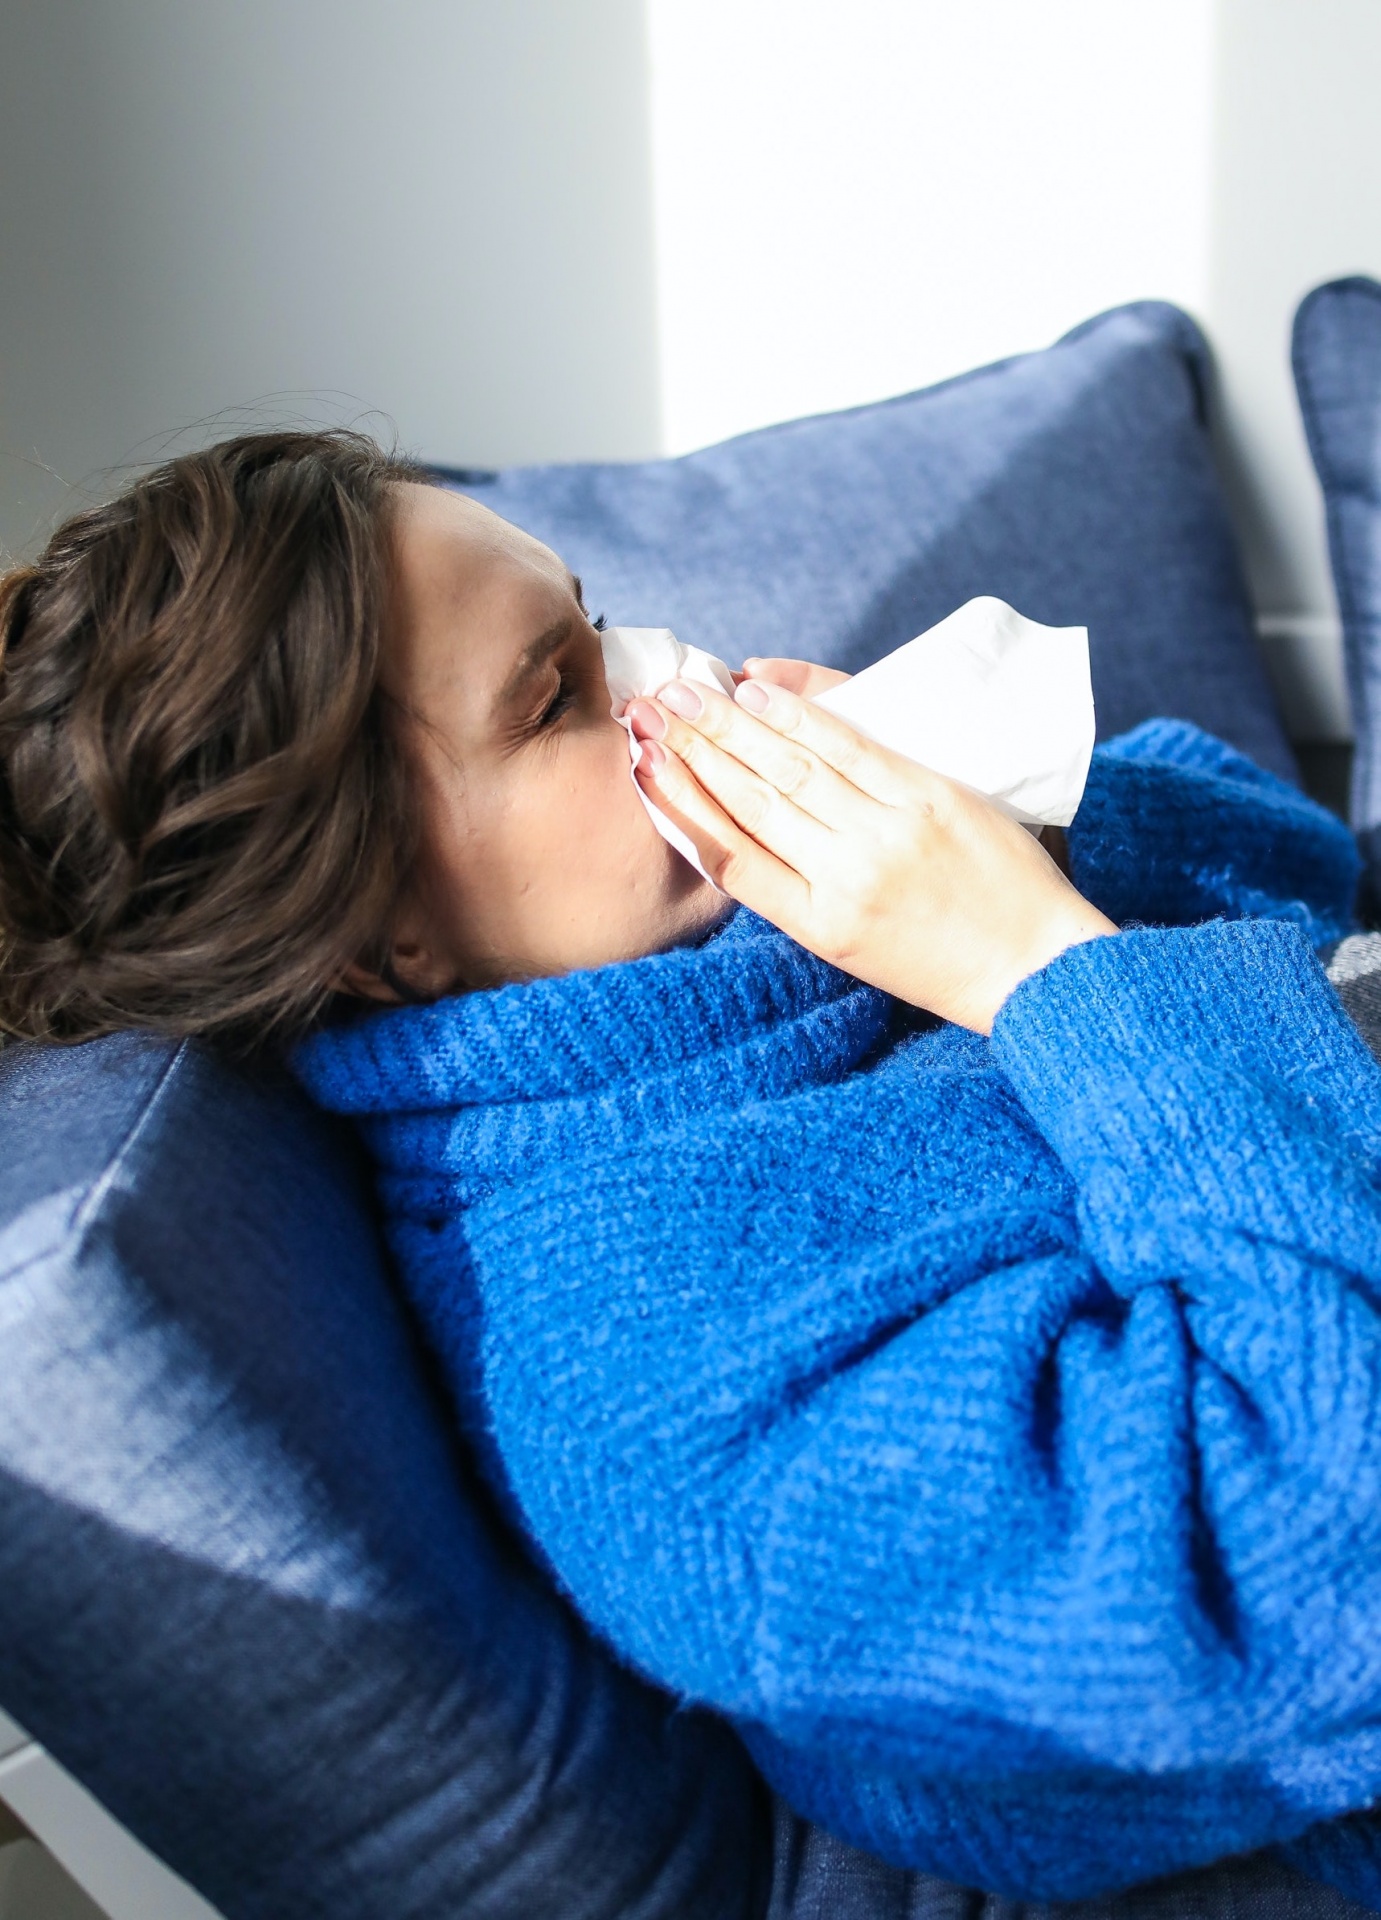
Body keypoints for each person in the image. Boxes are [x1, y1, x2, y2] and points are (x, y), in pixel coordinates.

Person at [3, 429, 1380, 1906]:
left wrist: (1011, 819)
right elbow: (1317, 1560)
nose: (679, 675)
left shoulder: (775, 964)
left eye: (595, 623)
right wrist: (1031, 959)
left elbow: (1308, 874)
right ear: (376, 934)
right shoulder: (643, 1376)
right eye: (558, 699)